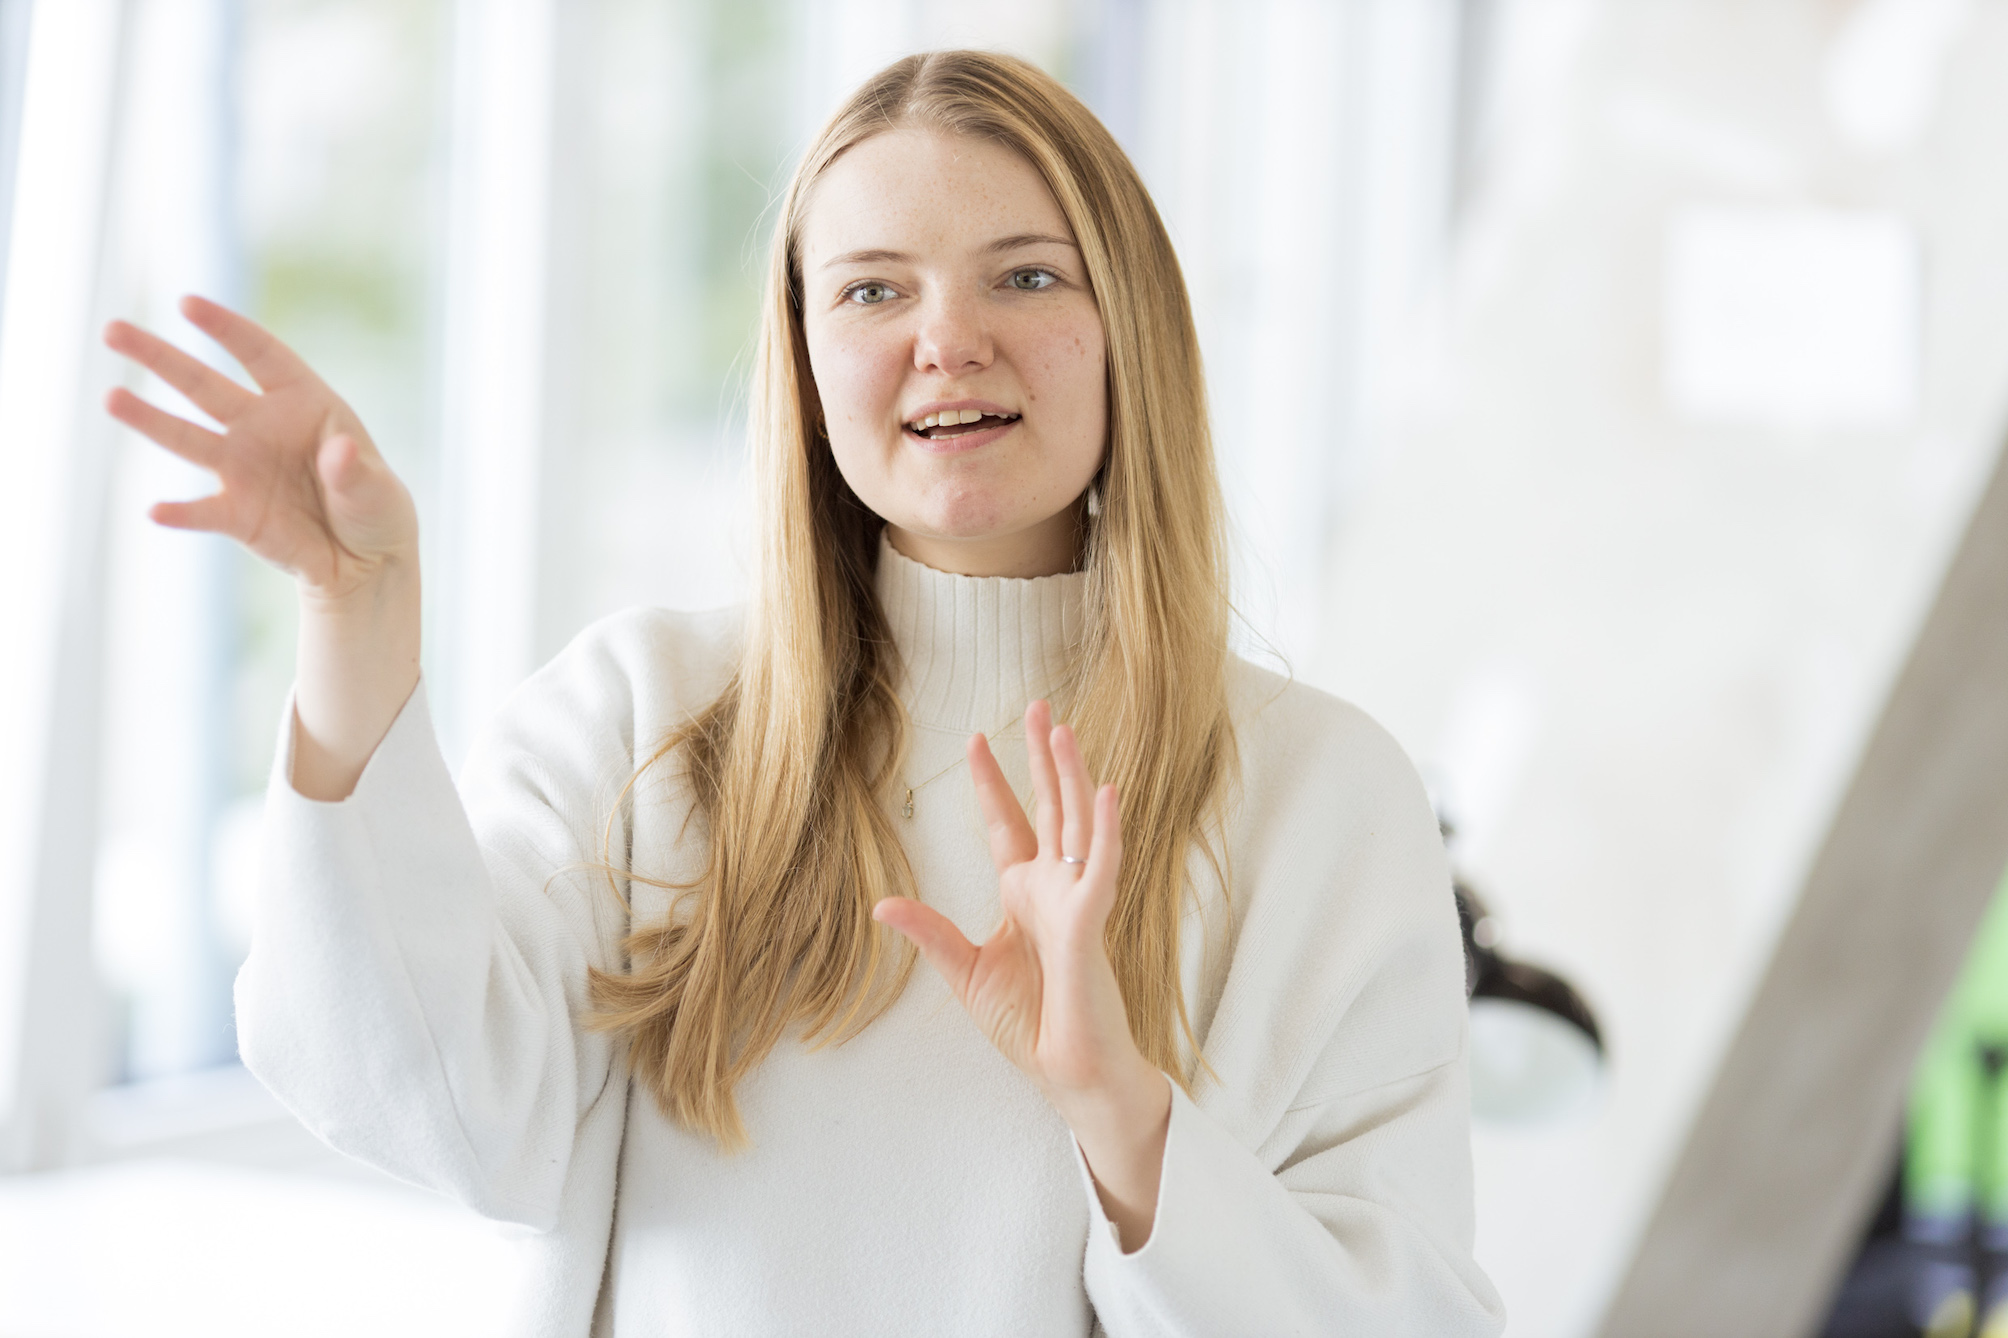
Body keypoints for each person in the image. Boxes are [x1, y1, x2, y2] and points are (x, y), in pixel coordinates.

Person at [103, 49, 1504, 1338]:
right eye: (873, 288)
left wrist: (1123, 1112)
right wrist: (357, 627)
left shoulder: (1326, 798)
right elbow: (432, 1100)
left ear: (1126, 325)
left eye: (1024, 276)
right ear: (808, 356)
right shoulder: (643, 714)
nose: (945, 339)